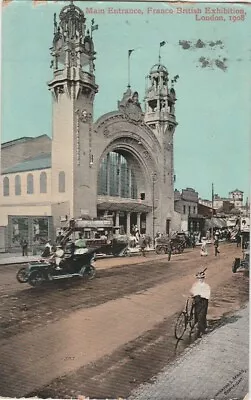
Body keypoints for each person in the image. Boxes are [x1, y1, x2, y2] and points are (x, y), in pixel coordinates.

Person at [190, 269, 211, 338]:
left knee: (201, 316)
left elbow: (207, 295)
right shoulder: (195, 285)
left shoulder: (206, 286)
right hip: (197, 302)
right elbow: (192, 291)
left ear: (204, 278)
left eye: (201, 278)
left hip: (203, 302)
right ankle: (202, 327)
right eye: (199, 278)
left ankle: (200, 331)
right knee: (196, 315)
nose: (200, 279)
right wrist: (193, 294)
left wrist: (201, 295)